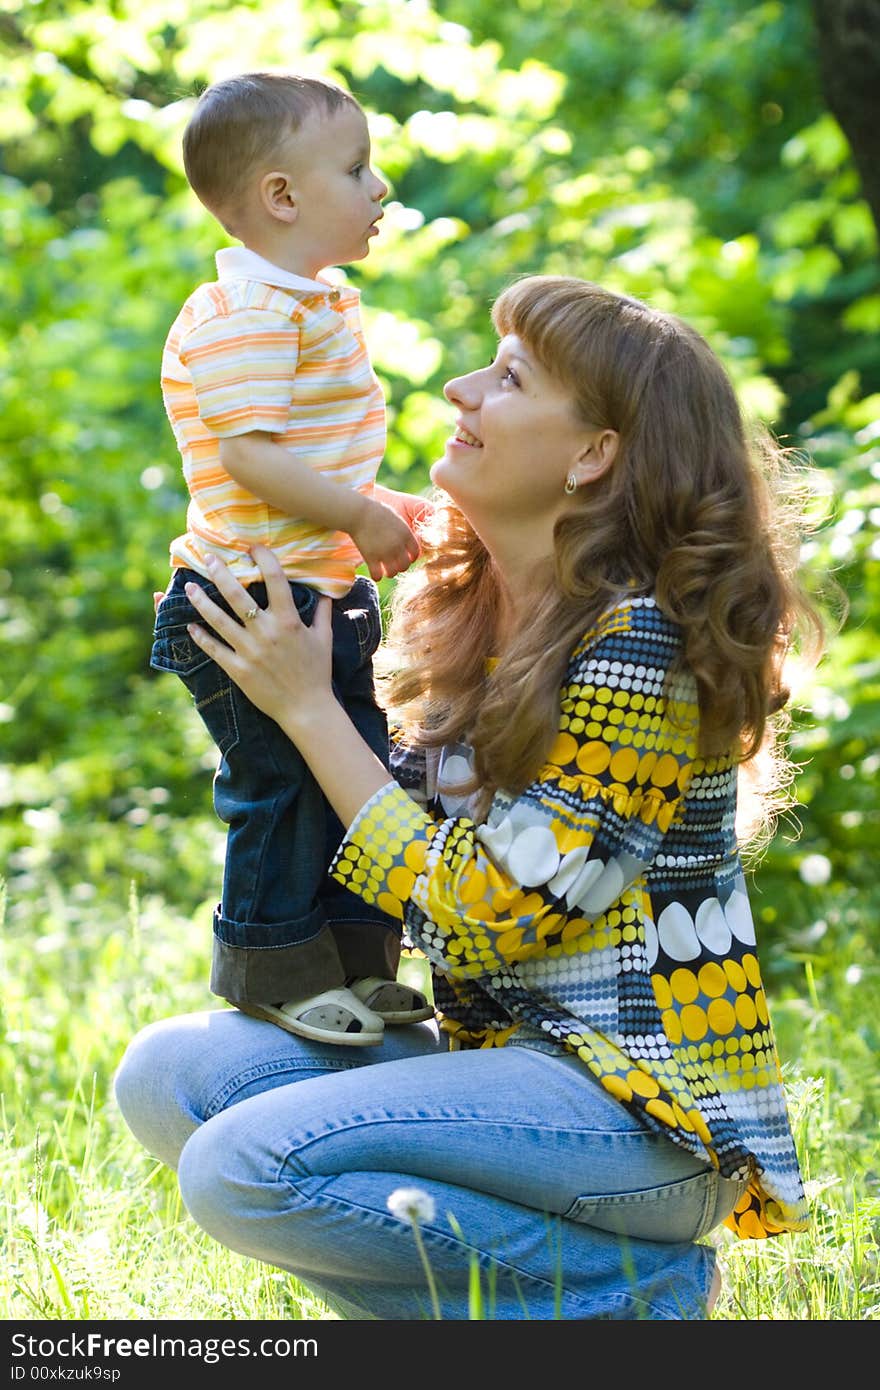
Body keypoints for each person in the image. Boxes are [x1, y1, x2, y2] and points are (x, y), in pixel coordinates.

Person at [116, 274, 825, 1320]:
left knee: (243, 1167)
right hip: (504, 1067)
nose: (457, 388)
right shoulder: (474, 609)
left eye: (507, 378)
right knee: (169, 1074)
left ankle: (633, 1297)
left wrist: (310, 710)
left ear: (593, 455)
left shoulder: (641, 647)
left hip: (641, 1113)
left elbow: (480, 916)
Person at [151, 71, 433, 1046]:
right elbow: (250, 456)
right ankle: (272, 967)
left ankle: (360, 963)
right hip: (248, 599)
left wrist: (368, 504)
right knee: (279, 786)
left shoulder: (304, 301)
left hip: (312, 583)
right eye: (357, 169)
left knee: (359, 767)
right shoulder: (247, 315)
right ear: (282, 197)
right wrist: (354, 508)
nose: (381, 188)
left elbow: (303, 459)